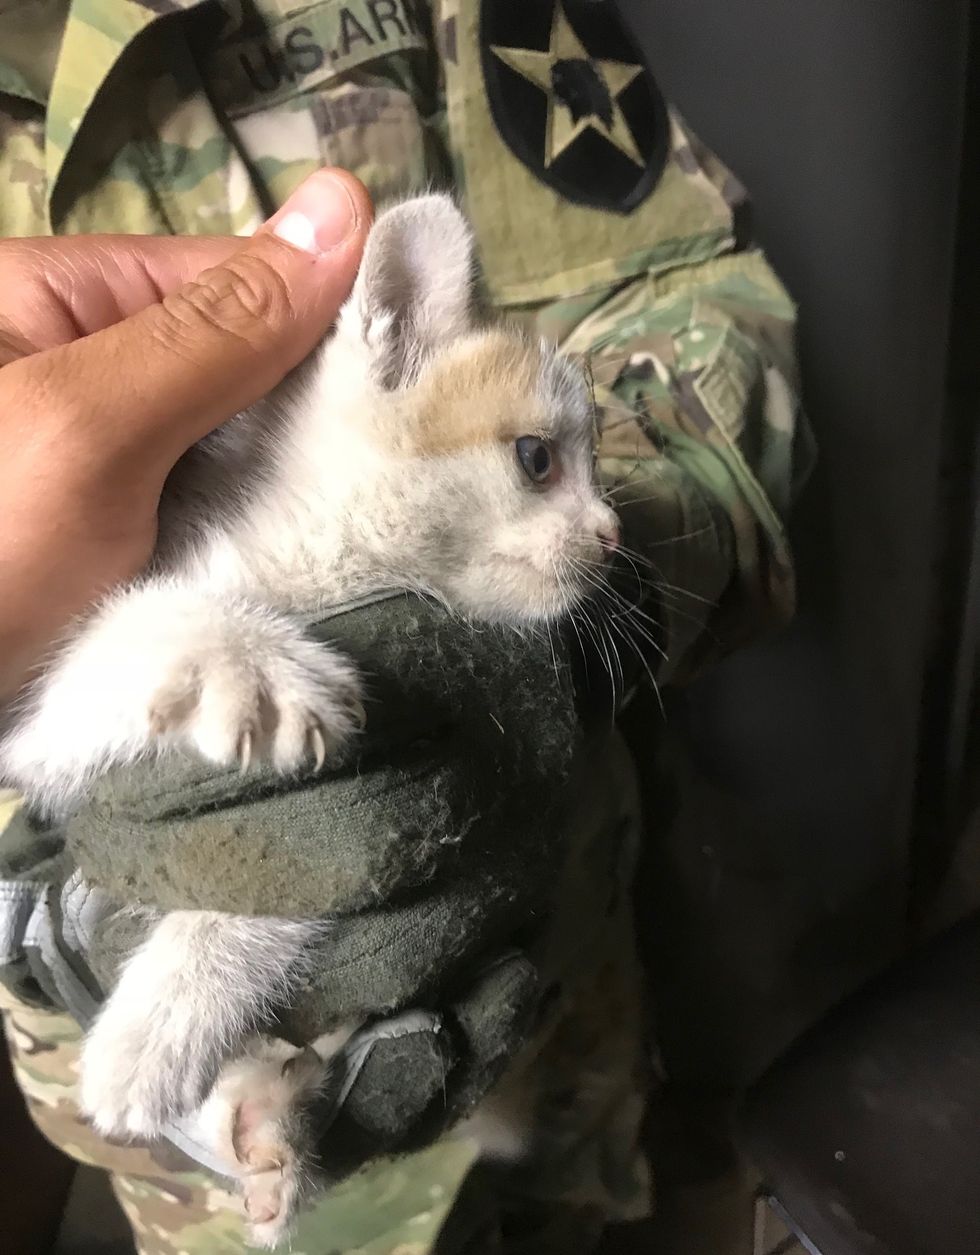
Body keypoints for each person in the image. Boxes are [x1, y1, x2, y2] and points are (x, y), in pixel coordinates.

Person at [0, 1, 811, 1252]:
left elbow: (683, 280)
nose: (598, 524)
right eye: (545, 462)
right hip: (178, 1140)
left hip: (548, 978)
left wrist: (618, 586)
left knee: (566, 1198)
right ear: (383, 337)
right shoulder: (268, 528)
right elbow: (108, 742)